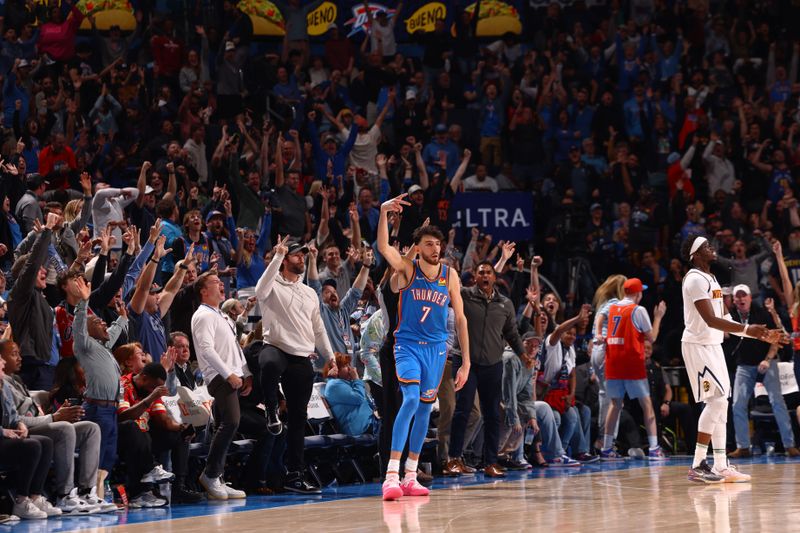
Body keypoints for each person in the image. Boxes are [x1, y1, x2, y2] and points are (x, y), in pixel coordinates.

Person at [377, 193, 470, 501]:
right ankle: (391, 474)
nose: (436, 249)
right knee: (410, 400)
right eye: (429, 244)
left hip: (437, 350)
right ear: (418, 248)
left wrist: (465, 362)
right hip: (407, 346)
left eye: (438, 244)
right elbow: (382, 247)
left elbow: (460, 318)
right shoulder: (406, 268)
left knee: (425, 408)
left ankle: (410, 475)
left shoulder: (450, 275)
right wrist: (382, 213)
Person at [680, 235, 786, 483]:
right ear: (695, 254)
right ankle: (697, 464)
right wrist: (749, 331)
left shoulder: (712, 278)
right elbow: (710, 320)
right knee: (715, 401)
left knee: (722, 402)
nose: (712, 248)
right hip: (698, 345)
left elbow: (725, 317)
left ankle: (719, 465)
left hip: (713, 344)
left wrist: (763, 335)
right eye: (706, 246)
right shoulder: (694, 279)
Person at [254, 236, 333, 494]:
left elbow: (319, 329)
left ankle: (295, 475)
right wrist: (276, 255)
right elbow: (259, 292)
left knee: (299, 419)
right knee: (267, 363)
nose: (302, 258)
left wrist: (330, 356)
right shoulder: (272, 284)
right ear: (286, 259)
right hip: (276, 348)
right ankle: (271, 409)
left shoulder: (309, 292)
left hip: (301, 356)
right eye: (297, 255)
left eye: (303, 255)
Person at [0, 339, 115, 514]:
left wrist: (56, 415)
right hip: (26, 431)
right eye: (14, 354)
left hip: (38, 424)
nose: (20, 358)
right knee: (64, 428)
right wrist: (53, 417)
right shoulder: (4, 384)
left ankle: (86, 491)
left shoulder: (15, 380)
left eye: (19, 353)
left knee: (91, 428)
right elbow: (16, 420)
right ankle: (65, 495)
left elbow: (23, 416)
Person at [445, 258, 526, 478]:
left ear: (495, 277)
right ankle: (453, 458)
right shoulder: (464, 295)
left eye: (488, 273)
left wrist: (523, 354)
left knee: (492, 414)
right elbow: (445, 291)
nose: (485, 276)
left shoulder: (505, 304)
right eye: (481, 273)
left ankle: (490, 462)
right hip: (465, 362)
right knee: (463, 411)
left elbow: (512, 333)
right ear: (474, 275)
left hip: (493, 364)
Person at [192, 272, 251, 500]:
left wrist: (245, 373)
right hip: (219, 377)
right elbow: (207, 349)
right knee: (231, 422)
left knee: (223, 426)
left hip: (230, 375)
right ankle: (210, 474)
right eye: (215, 282)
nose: (221, 285)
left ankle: (218, 477)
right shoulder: (203, 315)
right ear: (203, 291)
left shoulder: (221, 315)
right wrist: (228, 375)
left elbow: (234, 348)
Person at [726, 285, 799, 458]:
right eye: (738, 296)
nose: (741, 299)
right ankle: (743, 446)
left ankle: (789, 444)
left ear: (750, 298)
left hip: (767, 362)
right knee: (738, 404)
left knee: (777, 401)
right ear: (734, 300)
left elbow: (776, 340)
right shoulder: (731, 317)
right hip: (744, 365)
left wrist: (767, 359)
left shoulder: (762, 314)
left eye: (745, 296)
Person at [599, 278, 667, 461]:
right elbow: (651, 337)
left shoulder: (612, 308)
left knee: (615, 405)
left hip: (613, 363)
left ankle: (606, 449)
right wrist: (658, 317)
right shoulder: (638, 310)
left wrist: (598, 334)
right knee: (647, 406)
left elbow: (599, 317)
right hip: (631, 364)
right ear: (638, 294)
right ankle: (654, 448)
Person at [0, 355, 60, 520]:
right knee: (32, 446)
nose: (3, 362)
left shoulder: (4, 385)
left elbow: (14, 416)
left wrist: (20, 425)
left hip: (7, 437)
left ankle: (35, 497)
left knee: (45, 442)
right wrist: (3, 431)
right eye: (0, 359)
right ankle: (21, 500)